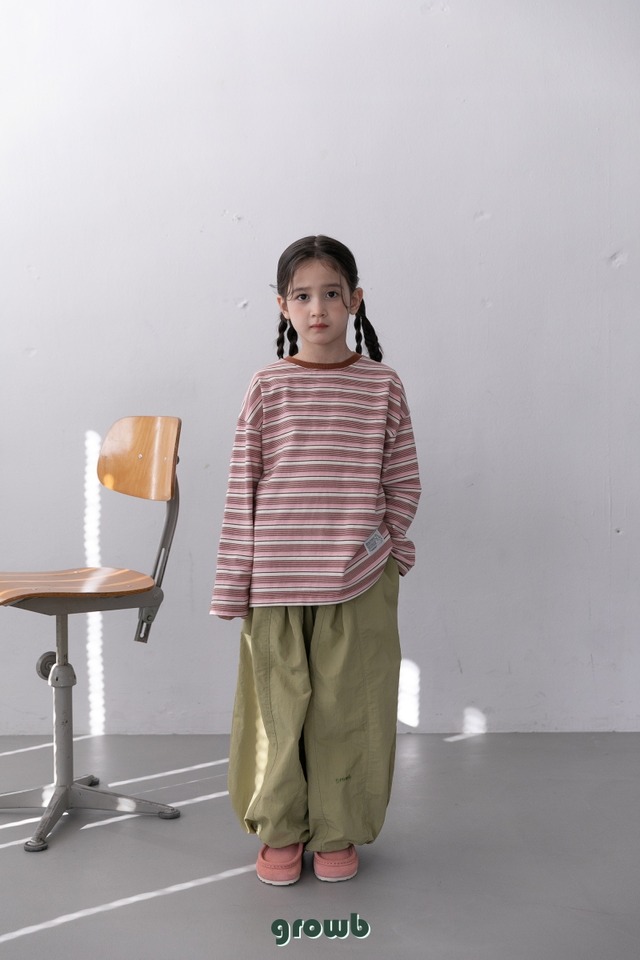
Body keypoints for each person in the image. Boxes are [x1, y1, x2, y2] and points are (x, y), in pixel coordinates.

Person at [211, 235, 421, 885]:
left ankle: (337, 830)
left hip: (358, 582)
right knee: (277, 716)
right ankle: (279, 829)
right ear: (283, 306)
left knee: (349, 713)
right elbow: (242, 485)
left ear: (355, 299)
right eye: (302, 296)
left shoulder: (382, 385)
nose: (318, 308)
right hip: (276, 582)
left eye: (332, 293)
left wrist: (384, 548)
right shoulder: (267, 385)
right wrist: (233, 583)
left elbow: (403, 481)